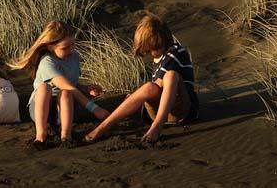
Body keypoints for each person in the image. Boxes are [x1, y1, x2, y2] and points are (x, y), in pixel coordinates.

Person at [84, 13, 198, 144]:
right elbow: (154, 89)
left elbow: (160, 84)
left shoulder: (176, 52)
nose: (150, 54)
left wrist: (137, 96)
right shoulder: (158, 57)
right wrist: (135, 97)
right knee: (150, 87)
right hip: (159, 112)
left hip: (182, 110)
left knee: (170, 76)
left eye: (151, 50)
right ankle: (103, 126)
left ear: (161, 41)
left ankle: (156, 127)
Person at [9, 20, 109, 149]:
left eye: (73, 44)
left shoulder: (74, 57)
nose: (71, 49)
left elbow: (72, 85)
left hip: (63, 110)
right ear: (50, 46)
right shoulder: (47, 61)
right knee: (45, 88)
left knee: (66, 92)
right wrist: (95, 109)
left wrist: (86, 88)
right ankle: (41, 135)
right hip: (40, 109)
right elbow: (66, 85)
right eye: (65, 47)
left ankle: (66, 136)